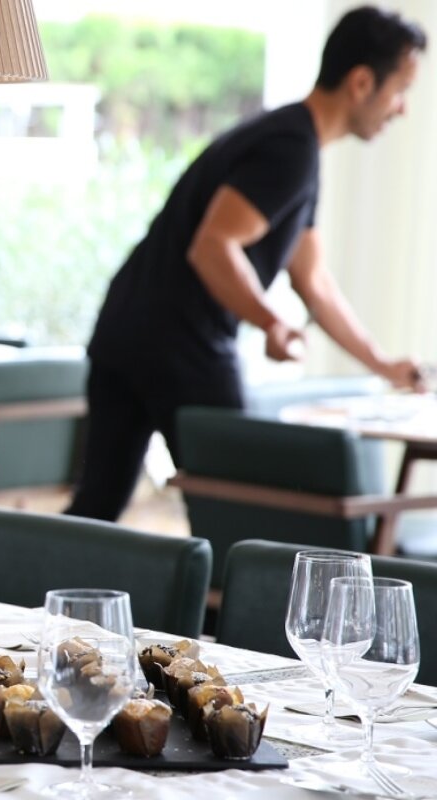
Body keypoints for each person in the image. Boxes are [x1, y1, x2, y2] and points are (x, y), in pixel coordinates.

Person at [65, 6, 428, 522]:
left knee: (97, 507)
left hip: (126, 326)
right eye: (401, 91)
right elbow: (213, 247)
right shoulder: (290, 150)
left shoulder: (292, 142)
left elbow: (313, 280)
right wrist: (271, 323)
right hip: (180, 343)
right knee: (237, 514)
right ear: (362, 82)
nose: (401, 110)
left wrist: (382, 363)